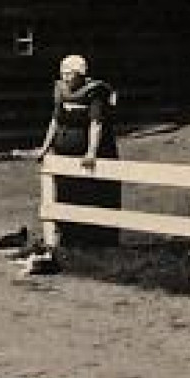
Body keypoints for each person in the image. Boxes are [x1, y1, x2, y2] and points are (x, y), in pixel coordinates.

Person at [34, 53, 121, 248]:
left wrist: (91, 152)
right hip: (65, 153)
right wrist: (45, 147)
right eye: (63, 73)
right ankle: (69, 239)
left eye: (69, 74)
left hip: (86, 154)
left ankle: (96, 241)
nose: (65, 77)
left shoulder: (94, 92)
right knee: (66, 192)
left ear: (80, 74)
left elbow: (95, 123)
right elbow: (55, 120)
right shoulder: (61, 90)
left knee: (90, 194)